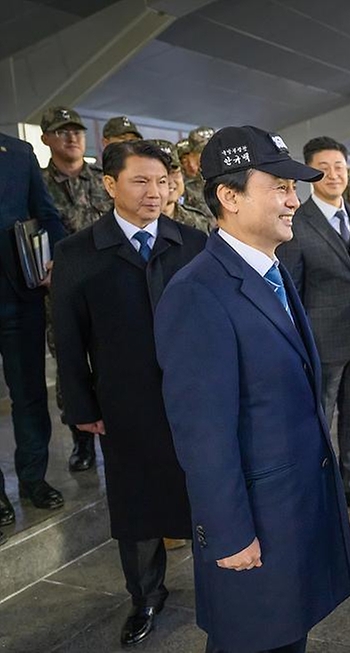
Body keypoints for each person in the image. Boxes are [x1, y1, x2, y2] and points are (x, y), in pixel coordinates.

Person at [155, 125, 350, 653]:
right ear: (229, 197)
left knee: (282, 636)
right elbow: (203, 432)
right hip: (254, 519)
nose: (295, 201)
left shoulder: (270, 270)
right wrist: (227, 533)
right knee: (250, 640)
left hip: (289, 507)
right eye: (279, 188)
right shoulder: (198, 292)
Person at [52, 140, 206, 647]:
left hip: (191, 400)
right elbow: (69, 340)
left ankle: (219, 583)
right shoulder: (79, 253)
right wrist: (81, 406)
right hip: (125, 403)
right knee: (136, 505)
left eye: (162, 181)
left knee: (203, 494)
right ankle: (145, 596)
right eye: (140, 181)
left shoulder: (192, 243)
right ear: (110, 184)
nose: (154, 192)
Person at [277, 136, 350, 515]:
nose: (334, 173)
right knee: (317, 422)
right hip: (321, 345)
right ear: (310, 174)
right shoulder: (297, 222)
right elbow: (291, 290)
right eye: (324, 167)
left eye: (340, 166)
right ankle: (317, 490)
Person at [0, 132, 68, 542]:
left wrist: (54, 258)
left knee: (27, 394)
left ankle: (32, 478)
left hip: (17, 295)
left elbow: (48, 214)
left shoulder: (18, 152)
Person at [40, 105, 113, 471]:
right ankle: (81, 442)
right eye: (62, 131)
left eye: (77, 131)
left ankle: (114, 430)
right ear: (46, 139)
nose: (71, 137)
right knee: (70, 363)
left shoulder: (104, 179)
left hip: (106, 285)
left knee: (111, 359)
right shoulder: (37, 182)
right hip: (61, 289)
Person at [148, 139, 213, 234]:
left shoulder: (197, 220)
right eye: (159, 173)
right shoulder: (135, 221)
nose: (169, 180)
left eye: (174, 171)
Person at [181, 126, 216, 220]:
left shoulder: (233, 180)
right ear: (192, 156)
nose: (210, 155)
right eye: (202, 152)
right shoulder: (187, 188)